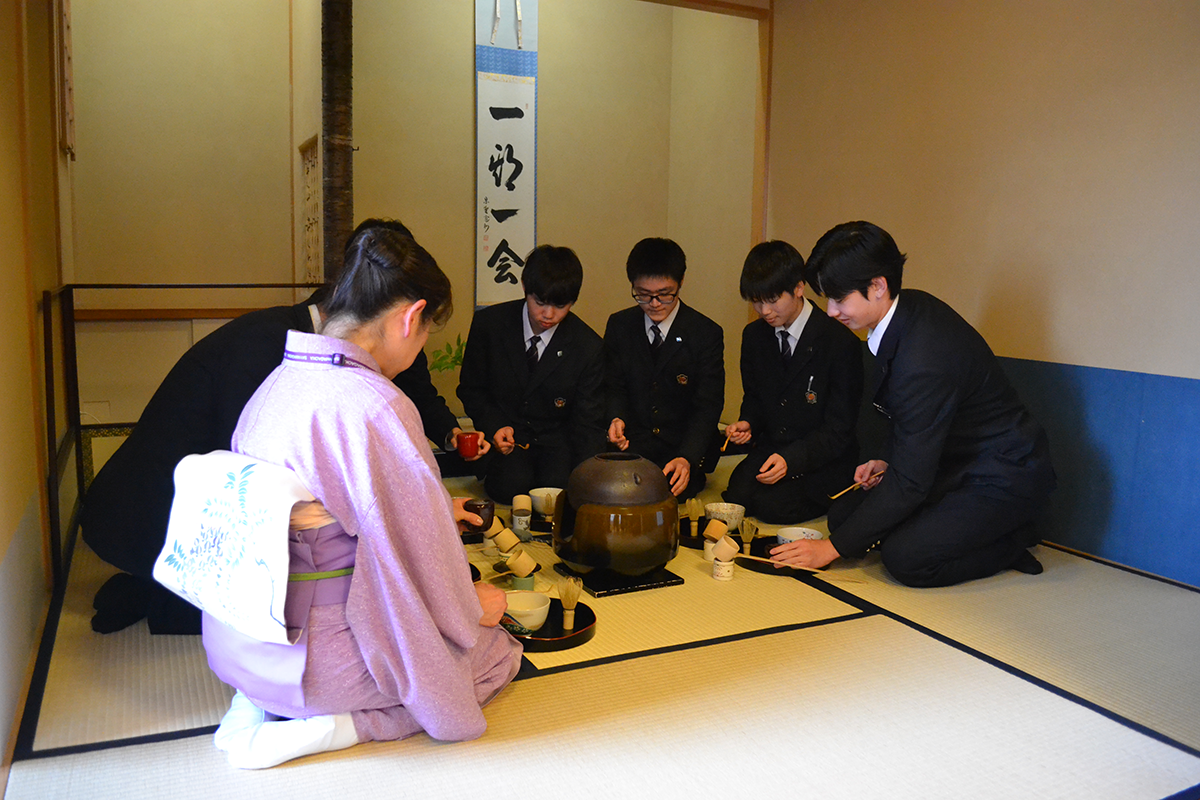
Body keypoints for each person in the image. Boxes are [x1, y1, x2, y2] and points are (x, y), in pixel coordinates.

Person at [205, 226, 522, 770]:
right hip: (314, 661)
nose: (420, 348)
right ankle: (338, 726)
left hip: (238, 639)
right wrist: (473, 611)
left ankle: (261, 705)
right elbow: (420, 562)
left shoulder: (276, 385)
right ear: (409, 316)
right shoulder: (374, 404)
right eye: (426, 334)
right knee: (496, 657)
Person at [81, 218, 485, 635]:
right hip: (147, 511)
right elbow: (262, 491)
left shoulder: (312, 343)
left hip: (167, 500)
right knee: (300, 598)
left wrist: (419, 508)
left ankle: (160, 592)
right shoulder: (275, 355)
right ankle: (162, 595)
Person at [771, 221, 1055, 587]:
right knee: (844, 517)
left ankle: (1011, 540)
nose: (830, 311)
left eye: (839, 299)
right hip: (951, 460)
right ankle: (962, 532)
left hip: (1002, 473)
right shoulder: (906, 308)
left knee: (906, 558)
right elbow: (916, 424)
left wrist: (829, 551)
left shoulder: (925, 356)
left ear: (877, 286)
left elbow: (911, 481)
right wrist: (888, 459)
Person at [722, 240, 863, 523]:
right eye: (757, 301)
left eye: (772, 300)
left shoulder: (839, 342)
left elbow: (838, 430)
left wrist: (792, 460)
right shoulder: (754, 336)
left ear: (799, 288)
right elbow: (754, 398)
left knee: (775, 507)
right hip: (774, 447)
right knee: (737, 495)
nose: (764, 311)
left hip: (822, 457)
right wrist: (747, 422)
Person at [457, 245, 606, 503]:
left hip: (556, 442)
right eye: (540, 302)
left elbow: (587, 422)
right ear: (525, 287)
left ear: (573, 301)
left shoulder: (587, 345)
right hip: (508, 439)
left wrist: (589, 480)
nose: (548, 315)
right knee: (510, 488)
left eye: (560, 306)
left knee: (558, 493)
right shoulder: (489, 325)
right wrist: (494, 427)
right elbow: (471, 389)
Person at [602, 238, 724, 498]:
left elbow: (708, 405)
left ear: (681, 283)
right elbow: (613, 385)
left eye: (665, 294)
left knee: (665, 493)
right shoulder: (619, 325)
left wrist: (688, 457)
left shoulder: (705, 333)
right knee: (612, 490)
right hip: (634, 444)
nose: (655, 303)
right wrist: (616, 418)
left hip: (680, 446)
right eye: (643, 295)